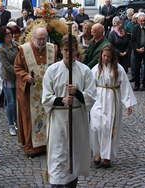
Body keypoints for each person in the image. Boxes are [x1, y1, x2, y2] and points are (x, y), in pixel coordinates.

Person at [42, 34, 96, 187]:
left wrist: (78, 93)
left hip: (77, 120)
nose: (68, 53)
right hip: (58, 120)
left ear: (76, 51)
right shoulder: (52, 71)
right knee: (59, 156)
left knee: (74, 156)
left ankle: (72, 183)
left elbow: (92, 96)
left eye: (71, 50)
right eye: (66, 50)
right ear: (61, 50)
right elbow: (45, 97)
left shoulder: (84, 71)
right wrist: (61, 100)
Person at [90, 45, 137, 168]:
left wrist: (128, 103)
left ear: (112, 57)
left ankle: (106, 157)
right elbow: (89, 86)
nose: (105, 58)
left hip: (112, 100)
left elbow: (125, 86)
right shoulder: (96, 69)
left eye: (108, 56)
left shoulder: (118, 69)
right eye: (104, 56)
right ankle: (97, 153)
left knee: (108, 127)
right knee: (96, 126)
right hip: (98, 99)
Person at [14, 27, 56, 157]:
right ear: (33, 38)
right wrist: (26, 76)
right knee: (30, 118)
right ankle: (31, 147)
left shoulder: (52, 49)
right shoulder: (24, 50)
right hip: (30, 92)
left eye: (44, 39)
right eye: (39, 39)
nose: (42, 42)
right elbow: (17, 67)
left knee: (47, 117)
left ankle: (47, 144)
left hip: (48, 91)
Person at [0, 27, 19, 136]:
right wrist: (19, 71)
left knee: (17, 101)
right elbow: (6, 66)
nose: (10, 35)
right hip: (8, 78)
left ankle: (16, 121)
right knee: (11, 102)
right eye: (7, 34)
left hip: (17, 77)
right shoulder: (1, 49)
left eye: (10, 33)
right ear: (3, 37)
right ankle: (11, 124)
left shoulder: (16, 44)